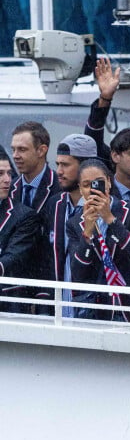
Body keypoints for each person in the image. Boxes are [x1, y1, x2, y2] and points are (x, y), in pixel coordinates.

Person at [68, 158, 130, 320]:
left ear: (109, 183)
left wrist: (110, 219)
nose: (92, 189)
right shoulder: (75, 223)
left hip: (129, 304)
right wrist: (87, 232)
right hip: (96, 307)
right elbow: (78, 272)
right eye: (87, 185)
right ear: (80, 189)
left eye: (99, 183)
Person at [41, 134, 98, 300]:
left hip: (91, 306)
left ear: (85, 167)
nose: (59, 171)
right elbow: (47, 259)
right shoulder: (54, 204)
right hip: (58, 305)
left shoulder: (104, 208)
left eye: (65, 165)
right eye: (57, 164)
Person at [0, 154, 40, 314]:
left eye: (9, 173)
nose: (7, 179)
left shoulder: (24, 215)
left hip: (8, 305)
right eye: (0, 174)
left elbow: (13, 257)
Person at [11, 121, 59, 216]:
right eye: (13, 149)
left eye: (22, 149)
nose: (15, 156)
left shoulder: (60, 188)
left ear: (41, 151)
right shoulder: (9, 188)